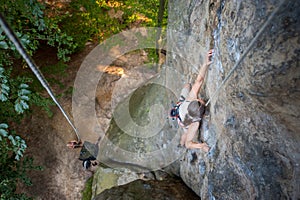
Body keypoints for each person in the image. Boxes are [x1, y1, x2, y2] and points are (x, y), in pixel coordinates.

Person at [171, 49, 213, 152]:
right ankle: (180, 145)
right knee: (185, 135)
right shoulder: (194, 124)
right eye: (200, 100)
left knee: (187, 85)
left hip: (181, 107)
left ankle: (180, 144)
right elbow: (188, 144)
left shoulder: (190, 99)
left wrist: (205, 64)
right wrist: (201, 146)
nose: (201, 99)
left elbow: (199, 81)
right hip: (182, 117)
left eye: (199, 100)